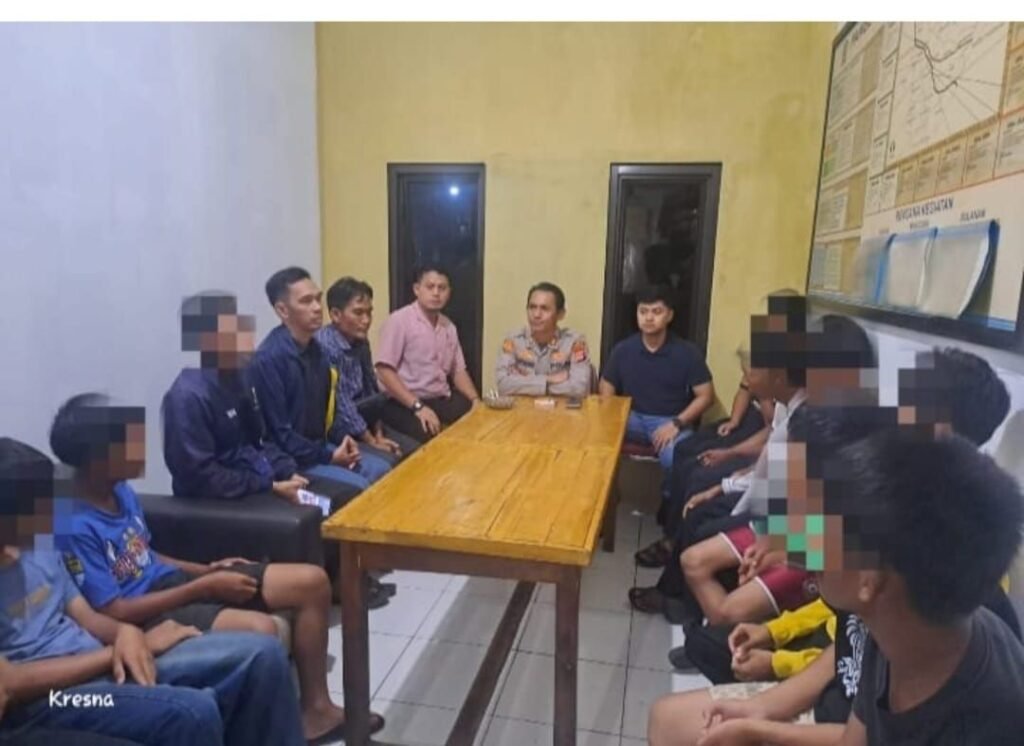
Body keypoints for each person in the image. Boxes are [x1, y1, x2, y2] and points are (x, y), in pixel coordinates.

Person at [648, 411, 1024, 746]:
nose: (807, 542)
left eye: (823, 525)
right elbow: (855, 738)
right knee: (669, 720)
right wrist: (758, 725)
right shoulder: (897, 620)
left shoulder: (983, 721)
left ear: (868, 578)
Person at [48, 395, 386, 742]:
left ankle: (316, 710)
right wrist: (203, 587)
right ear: (98, 460)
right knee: (260, 632)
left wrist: (206, 570)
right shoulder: (73, 525)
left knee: (311, 582)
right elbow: (113, 610)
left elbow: (146, 555)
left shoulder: (119, 490)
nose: (140, 449)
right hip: (146, 613)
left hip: (174, 583)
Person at [676, 346, 1017, 679]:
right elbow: (826, 522)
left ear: (944, 426)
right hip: (832, 601)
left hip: (845, 646)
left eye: (916, 402)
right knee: (706, 570)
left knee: (718, 642)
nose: (900, 410)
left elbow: (868, 636)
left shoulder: (949, 516)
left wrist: (779, 660)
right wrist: (779, 541)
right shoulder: (895, 465)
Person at [0, 436, 305, 746]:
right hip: (52, 698)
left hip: (105, 661)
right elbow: (10, 683)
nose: (50, 512)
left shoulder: (41, 545)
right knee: (194, 712)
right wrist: (124, 648)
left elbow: (87, 617)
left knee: (263, 655)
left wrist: (124, 634)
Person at [162, 291, 393, 609]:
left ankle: (343, 581)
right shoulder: (188, 396)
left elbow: (261, 441)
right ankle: (328, 587)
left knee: (343, 496)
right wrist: (269, 486)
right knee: (321, 507)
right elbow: (200, 477)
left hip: (262, 480)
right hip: (223, 499)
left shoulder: (239, 379)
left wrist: (286, 473)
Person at [248, 266, 392, 490]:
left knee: (383, 468)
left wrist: (343, 440)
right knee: (359, 487)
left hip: (320, 447)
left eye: (317, 299)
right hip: (292, 461)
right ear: (283, 310)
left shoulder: (316, 350)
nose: (317, 307)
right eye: (306, 301)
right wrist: (330, 455)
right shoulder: (269, 359)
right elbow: (280, 436)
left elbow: (328, 413)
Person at [598, 285, 714, 482]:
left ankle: (668, 500)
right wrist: (611, 417)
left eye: (656, 311)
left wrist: (677, 423)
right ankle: (604, 495)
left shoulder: (687, 352)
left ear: (669, 315)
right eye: (643, 311)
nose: (649, 318)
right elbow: (606, 386)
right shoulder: (623, 350)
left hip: (669, 420)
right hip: (631, 418)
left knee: (675, 457)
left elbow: (707, 396)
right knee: (594, 441)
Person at [315, 277, 419, 462]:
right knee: (390, 459)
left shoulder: (361, 341)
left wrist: (378, 434)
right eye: (358, 313)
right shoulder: (325, 346)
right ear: (336, 315)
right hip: (337, 428)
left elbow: (372, 390)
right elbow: (341, 405)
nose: (366, 320)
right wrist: (371, 441)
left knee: (414, 450)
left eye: (369, 312)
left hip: (363, 419)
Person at [375, 265, 480, 442]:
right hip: (404, 401)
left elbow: (458, 371)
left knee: (477, 422)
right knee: (430, 432)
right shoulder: (399, 321)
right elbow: (384, 370)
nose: (436, 293)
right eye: (430, 287)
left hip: (440, 398)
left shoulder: (449, 326)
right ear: (417, 289)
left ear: (449, 292)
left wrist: (475, 400)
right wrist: (417, 406)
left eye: (442, 288)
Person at [495, 282, 591, 398]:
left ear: (560, 314)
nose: (536, 315)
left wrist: (523, 384)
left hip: (560, 409)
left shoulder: (575, 343)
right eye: (532, 307)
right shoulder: (512, 340)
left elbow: (579, 388)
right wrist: (547, 380)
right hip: (522, 408)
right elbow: (503, 385)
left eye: (544, 309)